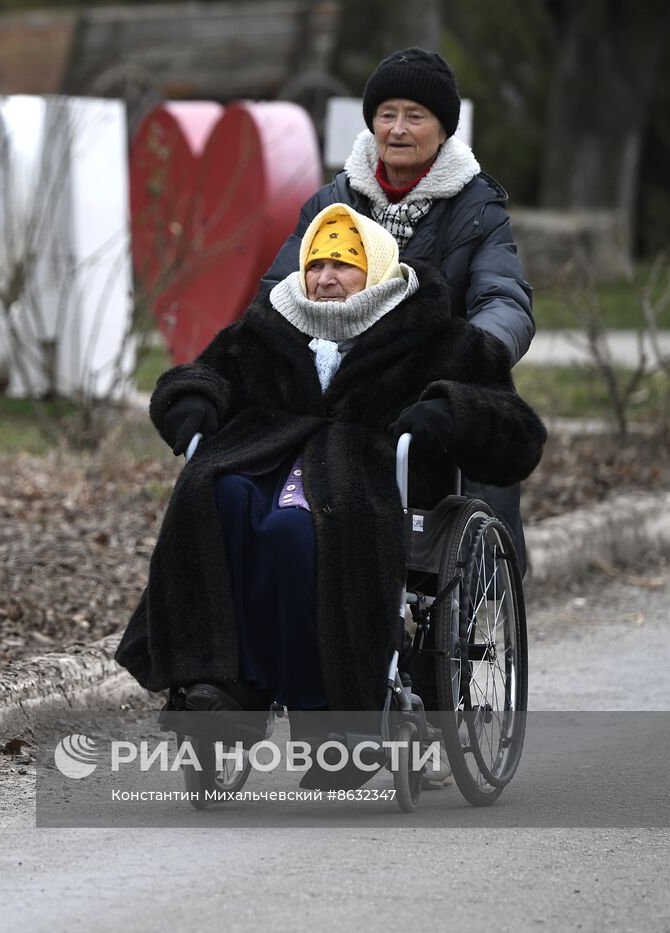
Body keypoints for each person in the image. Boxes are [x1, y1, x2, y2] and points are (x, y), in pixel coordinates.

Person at [115, 203, 546, 787]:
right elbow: (207, 372)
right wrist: (192, 399)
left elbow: (515, 428)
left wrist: (452, 410)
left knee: (300, 530)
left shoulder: (433, 333)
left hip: (366, 479)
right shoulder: (272, 325)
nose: (325, 277)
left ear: (378, 267)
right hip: (266, 460)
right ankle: (221, 687)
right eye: (316, 263)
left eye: (343, 264)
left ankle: (330, 714)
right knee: (217, 497)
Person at [258, 47, 535, 571]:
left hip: (433, 383)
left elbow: (504, 299)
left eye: (416, 115)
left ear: (444, 129)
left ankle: (479, 575)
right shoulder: (331, 203)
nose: (399, 130)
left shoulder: (477, 210)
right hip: (340, 382)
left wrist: (470, 356)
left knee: (473, 425)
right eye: (387, 114)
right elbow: (277, 290)